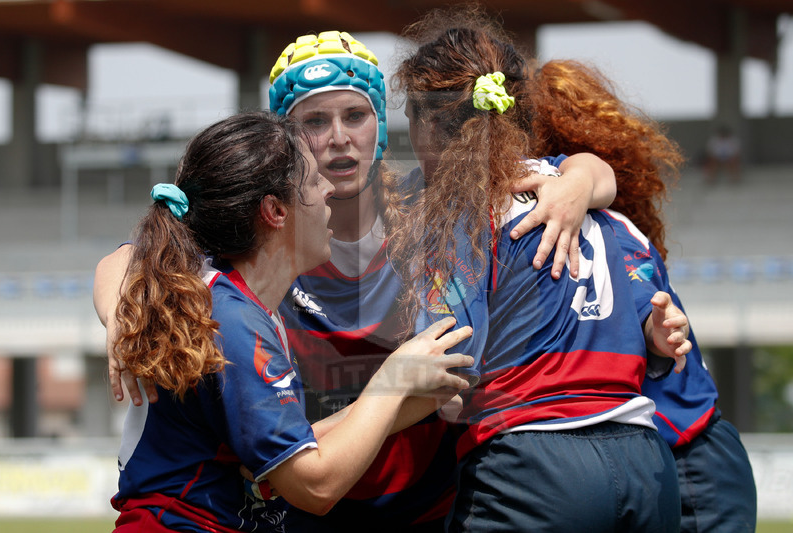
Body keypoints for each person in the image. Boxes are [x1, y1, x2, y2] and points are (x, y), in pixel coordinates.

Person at [95, 30, 621, 532]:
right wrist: (127, 316)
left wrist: (576, 184)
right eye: (315, 121)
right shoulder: (259, 238)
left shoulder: (434, 212)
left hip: (425, 502)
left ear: (379, 124)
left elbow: (593, 173)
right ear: (285, 147)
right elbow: (136, 256)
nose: (339, 138)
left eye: (355, 114)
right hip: (309, 507)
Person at [105, 110, 475, 532]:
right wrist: (393, 380)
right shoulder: (232, 320)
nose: (329, 190)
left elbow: (298, 445)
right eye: (315, 181)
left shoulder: (233, 301)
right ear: (275, 211)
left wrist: (416, 395)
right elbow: (314, 487)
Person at [391, 8, 686, 531]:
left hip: (533, 465)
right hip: (645, 462)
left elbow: (446, 364)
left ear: (425, 121)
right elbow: (655, 321)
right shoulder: (599, 210)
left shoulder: (460, 215)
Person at [528, 58, 757, 532]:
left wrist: (657, 330)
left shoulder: (609, 230)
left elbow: (648, 311)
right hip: (658, 458)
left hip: (690, 460)